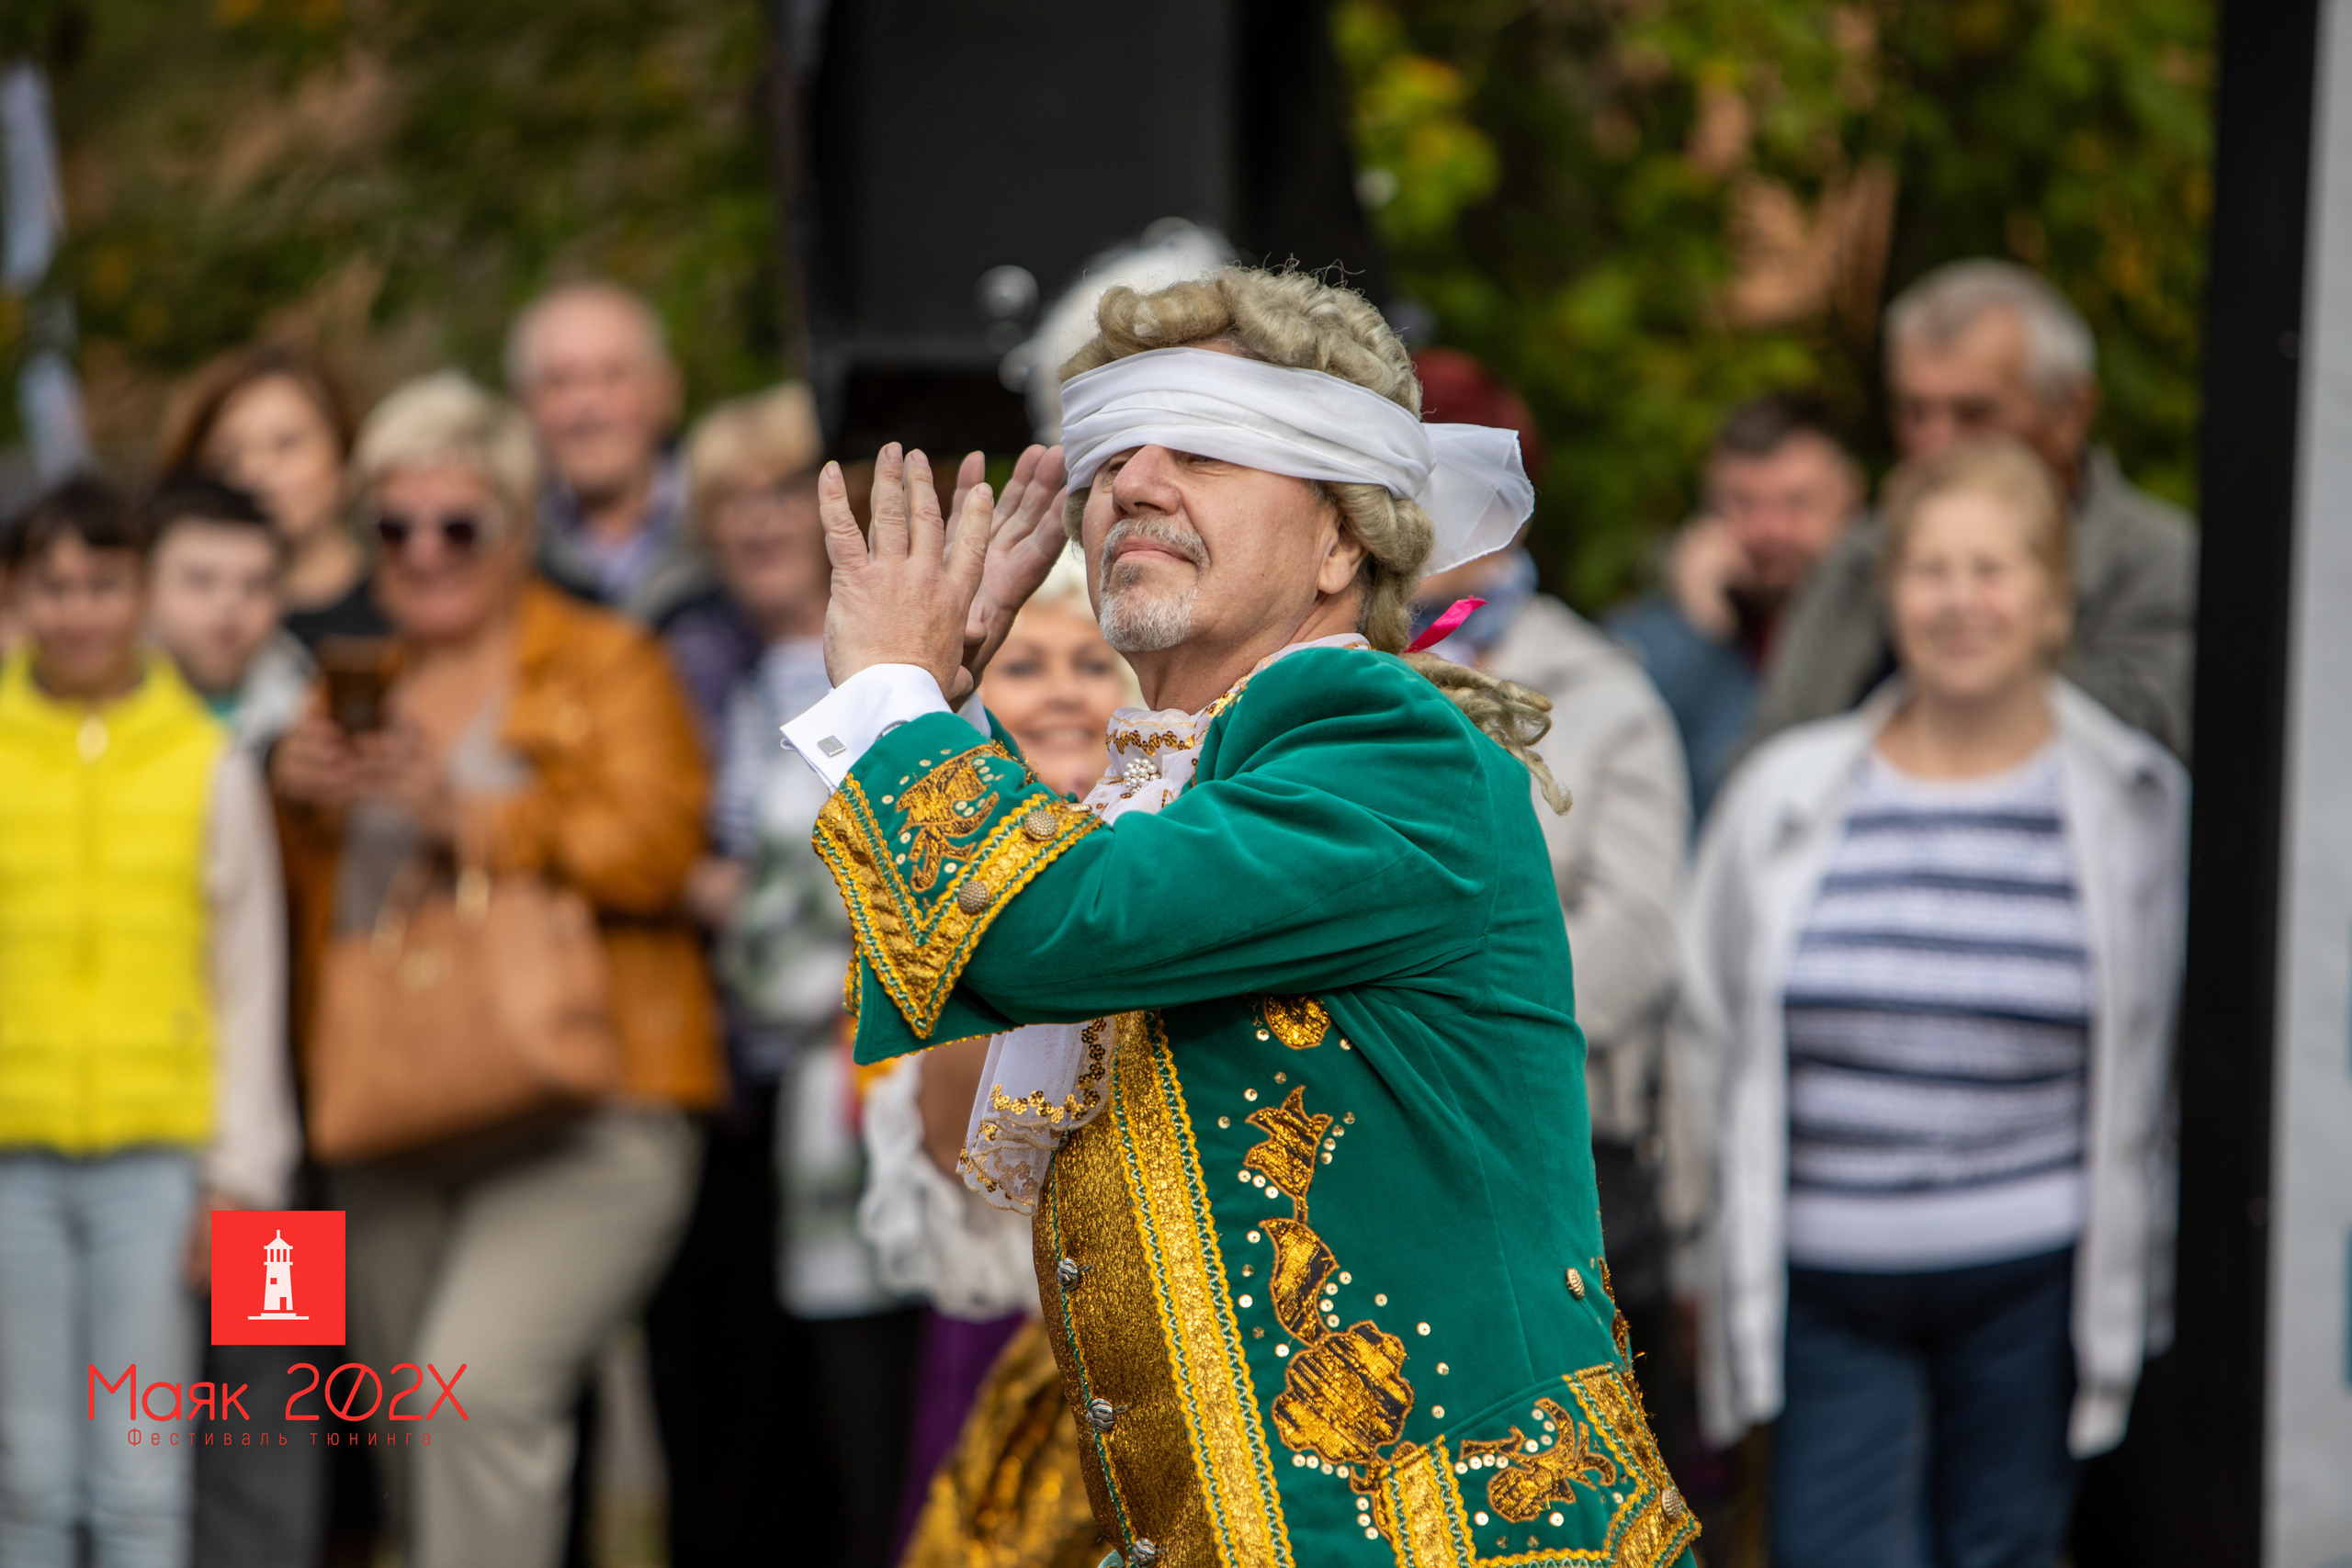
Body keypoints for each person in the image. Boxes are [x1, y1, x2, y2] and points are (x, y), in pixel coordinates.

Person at [782, 266, 1700, 1566]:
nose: (1136, 482)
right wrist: (945, 705)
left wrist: (892, 700)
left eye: (1207, 444)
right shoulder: (1140, 803)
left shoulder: (1384, 741)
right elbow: (964, 1113)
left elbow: (1040, 929)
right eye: (1105, 454)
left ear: (1343, 538)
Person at [1672, 438, 2188, 1566]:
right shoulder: (1781, 797)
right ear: (1886, 595)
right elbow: (1704, 1038)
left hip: (2035, 1284)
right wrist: (1700, 1250)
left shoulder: (2142, 809)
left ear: (2056, 601)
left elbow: (2179, 1066)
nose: (1960, 602)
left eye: (1992, 570)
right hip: (1827, 1290)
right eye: (1930, 571)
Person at [269, 371, 719, 1568]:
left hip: (593, 1096)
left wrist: (468, 815)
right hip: (389, 1105)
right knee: (413, 1434)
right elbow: (295, 923)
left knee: (474, 1393)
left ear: (518, 525)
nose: (423, 551)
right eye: (393, 526)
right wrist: (292, 807)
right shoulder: (346, 685)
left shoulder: (606, 660)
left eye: (455, 523)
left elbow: (660, 845)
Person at [1408, 347, 1699, 1510]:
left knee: (1575, 1488)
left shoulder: (1601, 688)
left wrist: (1444, 1034)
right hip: (1394, 1153)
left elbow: (1633, 935)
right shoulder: (1335, 670)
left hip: (1560, 1144)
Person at [0, 479, 297, 1568]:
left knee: (139, 1474)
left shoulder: (202, 760)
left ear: (138, 596)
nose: (79, 612)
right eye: (55, 587)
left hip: (158, 1162)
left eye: (102, 586)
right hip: (15, 1159)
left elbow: (247, 975)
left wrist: (244, 1173)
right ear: (20, 594)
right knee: (28, 1478)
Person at [865, 546, 1137, 1568]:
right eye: (1026, 667)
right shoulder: (927, 881)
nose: (1065, 691)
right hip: (1009, 1335)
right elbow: (951, 1138)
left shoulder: (1177, 857)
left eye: (1092, 662)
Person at [1751, 260, 2199, 759]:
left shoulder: (2165, 566)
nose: (1938, 444)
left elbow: (2148, 752)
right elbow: (1777, 748)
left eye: (1975, 414)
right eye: (1915, 412)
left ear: (2071, 413)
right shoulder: (1860, 555)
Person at [1610, 395, 1864, 821]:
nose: (1770, 530)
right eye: (1743, 504)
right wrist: (1694, 632)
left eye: (1797, 503)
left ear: (1850, 501)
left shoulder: (1887, 634)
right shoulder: (1651, 636)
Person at [508, 280, 707, 625]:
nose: (587, 403)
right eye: (560, 381)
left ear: (667, 391)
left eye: (613, 376)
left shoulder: (734, 529)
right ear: (523, 404)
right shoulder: (494, 552)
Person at [161, 342, 382, 649]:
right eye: (228, 457)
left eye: (286, 444)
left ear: (346, 459)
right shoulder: (161, 634)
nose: (255, 472)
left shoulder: (410, 610)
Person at [145, 474, 314, 753]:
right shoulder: (84, 704)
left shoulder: (310, 714)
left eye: (256, 585)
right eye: (201, 580)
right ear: (143, 588)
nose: (230, 604)